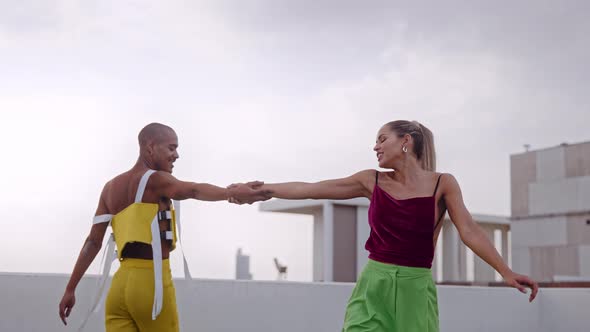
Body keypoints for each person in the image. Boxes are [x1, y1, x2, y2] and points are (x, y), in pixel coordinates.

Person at [229, 120, 538, 332]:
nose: (375, 147)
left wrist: (506, 272)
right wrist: (260, 190)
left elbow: (469, 230)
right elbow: (310, 188)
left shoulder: (443, 183)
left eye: (381, 139)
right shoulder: (371, 180)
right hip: (373, 283)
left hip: (415, 288)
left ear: (406, 141)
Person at [58, 122, 271, 331]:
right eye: (172, 147)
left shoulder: (110, 188)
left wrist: (70, 289)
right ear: (150, 147)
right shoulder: (156, 179)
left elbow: (93, 242)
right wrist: (231, 193)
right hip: (150, 286)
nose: (176, 155)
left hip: (120, 287)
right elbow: (194, 190)